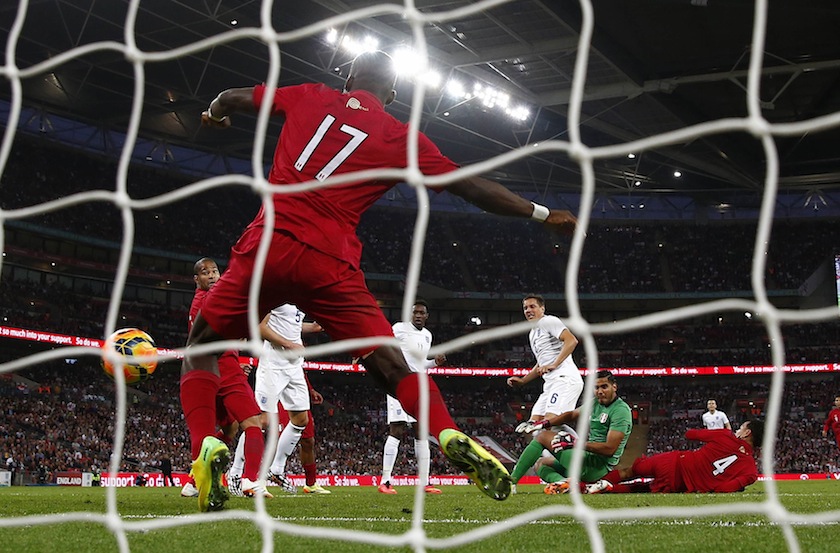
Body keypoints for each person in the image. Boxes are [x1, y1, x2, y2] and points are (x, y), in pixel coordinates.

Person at [184, 49, 577, 509]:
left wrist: (214, 114)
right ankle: (446, 429)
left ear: (349, 77)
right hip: (330, 263)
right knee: (392, 366)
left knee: (202, 345)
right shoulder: (399, 135)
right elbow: (471, 185)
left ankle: (204, 446)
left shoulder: (309, 95)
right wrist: (542, 213)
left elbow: (231, 96)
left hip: (267, 243)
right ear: (391, 94)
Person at [181, 257, 271, 511]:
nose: (211, 275)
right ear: (196, 279)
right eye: (204, 272)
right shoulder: (209, 299)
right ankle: (250, 481)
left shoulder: (200, 302)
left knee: (228, 430)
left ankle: (193, 479)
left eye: (214, 271)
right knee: (255, 423)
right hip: (224, 369)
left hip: (205, 368)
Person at [229, 303, 321, 495]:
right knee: (260, 421)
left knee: (300, 420)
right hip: (273, 366)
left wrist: (311, 327)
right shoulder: (277, 293)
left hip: (294, 367)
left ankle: (276, 470)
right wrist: (288, 344)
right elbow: (260, 327)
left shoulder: (298, 295)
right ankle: (236, 474)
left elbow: (289, 323)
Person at [510, 370, 632, 494]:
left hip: (596, 467)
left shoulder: (620, 411)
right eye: (596, 388)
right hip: (587, 462)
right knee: (541, 463)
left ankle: (511, 482)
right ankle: (566, 484)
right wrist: (545, 423)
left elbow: (609, 449)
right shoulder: (596, 402)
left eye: (604, 387)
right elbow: (573, 415)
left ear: (614, 387)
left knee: (543, 436)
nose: (600, 391)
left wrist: (576, 443)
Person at [586, 419, 764, 494]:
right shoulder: (751, 472)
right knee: (643, 489)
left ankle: (588, 487)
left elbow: (690, 434)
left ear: (747, 432)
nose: (737, 430)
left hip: (674, 462)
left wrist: (715, 435)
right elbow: (722, 490)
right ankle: (595, 491)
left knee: (628, 472)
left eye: (741, 428)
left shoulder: (726, 436)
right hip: (681, 485)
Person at [379, 300, 446, 495]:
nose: (418, 315)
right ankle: (386, 481)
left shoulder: (427, 335)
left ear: (427, 316)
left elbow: (420, 364)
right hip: (398, 384)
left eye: (421, 312)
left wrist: (434, 362)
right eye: (415, 312)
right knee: (397, 429)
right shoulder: (399, 329)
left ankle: (425, 482)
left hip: (418, 386)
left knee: (421, 432)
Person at [507, 295, 582, 438]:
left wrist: (555, 364)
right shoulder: (532, 333)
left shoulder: (549, 321)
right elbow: (540, 364)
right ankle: (544, 458)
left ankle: (579, 450)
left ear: (542, 308)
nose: (528, 310)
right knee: (534, 426)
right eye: (525, 308)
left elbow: (571, 341)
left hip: (565, 379)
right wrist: (523, 381)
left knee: (549, 424)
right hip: (550, 384)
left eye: (532, 306)